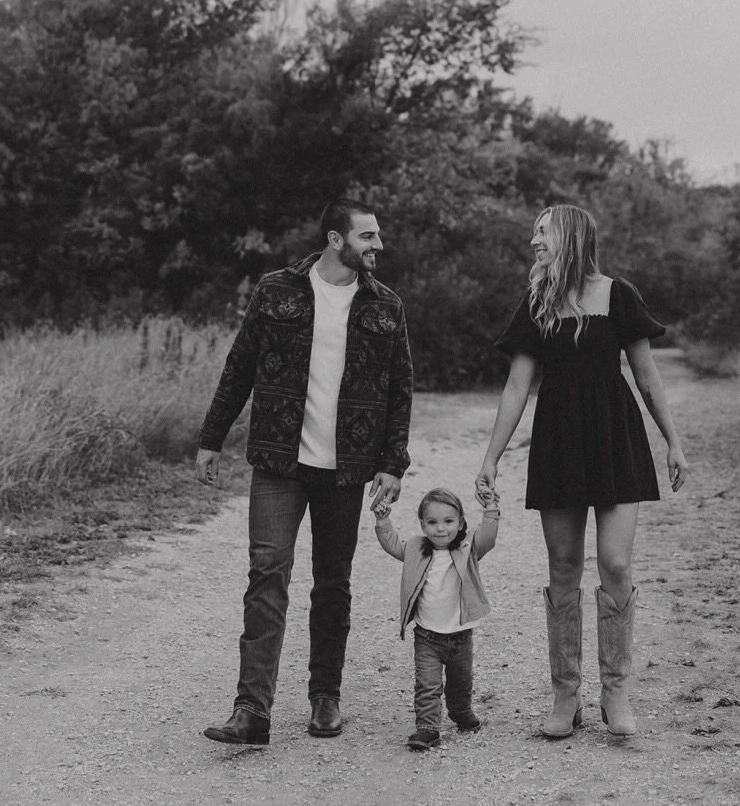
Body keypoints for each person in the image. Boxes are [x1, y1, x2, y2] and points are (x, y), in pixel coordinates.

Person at [196, 198, 413, 746]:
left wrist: (392, 463)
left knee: (332, 584)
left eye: (377, 236)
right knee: (267, 575)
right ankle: (252, 711)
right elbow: (240, 364)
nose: (377, 246)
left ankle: (325, 699)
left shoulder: (386, 306)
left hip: (346, 470)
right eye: (368, 236)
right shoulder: (277, 291)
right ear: (337, 240)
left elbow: (400, 390)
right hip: (278, 461)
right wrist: (211, 438)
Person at [475, 204, 688, 741]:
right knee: (564, 564)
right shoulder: (538, 301)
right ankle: (565, 695)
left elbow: (646, 375)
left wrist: (674, 442)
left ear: (569, 235)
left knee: (615, 563)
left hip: (616, 436)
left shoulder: (618, 294)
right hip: (559, 440)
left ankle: (616, 690)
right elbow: (516, 388)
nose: (533, 243)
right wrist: (491, 457)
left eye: (541, 233)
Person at [374, 486, 500, 750]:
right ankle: (428, 727)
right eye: (432, 522)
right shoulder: (416, 549)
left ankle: (460, 711)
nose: (440, 529)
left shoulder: (468, 548)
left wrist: (490, 510)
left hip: (461, 635)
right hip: (427, 636)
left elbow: (487, 538)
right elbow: (392, 544)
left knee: (460, 682)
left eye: (448, 521)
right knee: (427, 684)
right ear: (422, 524)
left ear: (461, 522)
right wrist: (383, 520)